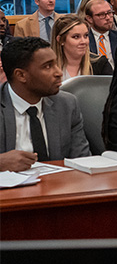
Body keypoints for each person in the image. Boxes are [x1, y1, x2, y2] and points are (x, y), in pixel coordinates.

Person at [0, 37, 90, 170]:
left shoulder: (66, 104)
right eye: (47, 66)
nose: (59, 73)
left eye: (56, 64)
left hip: (59, 186)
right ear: (21, 75)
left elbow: (82, 160)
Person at [51, 14, 113, 80]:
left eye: (86, 36)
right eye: (76, 37)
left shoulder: (100, 64)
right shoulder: (48, 68)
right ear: (60, 40)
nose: (83, 42)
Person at [84, 0, 117, 67]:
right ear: (89, 18)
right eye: (101, 15)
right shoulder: (84, 41)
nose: (108, 18)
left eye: (109, 13)